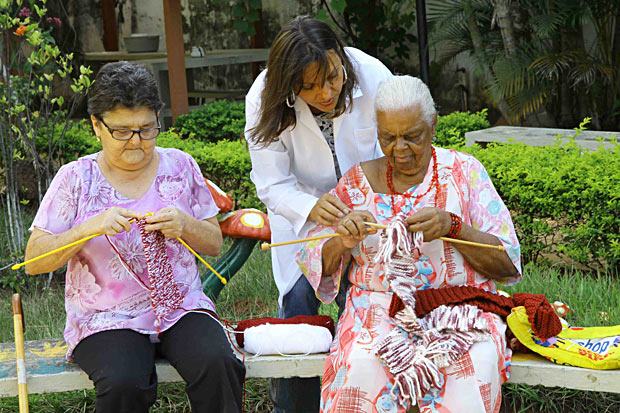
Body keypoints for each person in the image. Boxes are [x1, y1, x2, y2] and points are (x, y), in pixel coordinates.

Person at [24, 62, 245, 413]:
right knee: (124, 380)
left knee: (218, 362)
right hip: (106, 317)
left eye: (146, 129)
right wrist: (89, 228)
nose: (136, 142)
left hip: (181, 306)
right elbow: (34, 260)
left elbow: (214, 244)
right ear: (97, 125)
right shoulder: (76, 179)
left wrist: (184, 225)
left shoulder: (180, 165)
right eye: (123, 132)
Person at [296, 75, 522, 412]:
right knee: (362, 362)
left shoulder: (464, 173)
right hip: (376, 309)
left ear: (433, 125)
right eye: (388, 137)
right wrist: (342, 241)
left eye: (411, 137)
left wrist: (454, 227)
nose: (399, 149)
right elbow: (316, 261)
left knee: (469, 364)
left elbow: (507, 263)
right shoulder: (357, 183)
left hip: (458, 310)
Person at [244, 15, 392, 412]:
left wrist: (363, 207)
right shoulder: (263, 97)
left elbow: (392, 156)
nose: (326, 93)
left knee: (360, 303)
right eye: (308, 87)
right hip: (302, 217)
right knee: (297, 309)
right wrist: (312, 208)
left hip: (366, 214)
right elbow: (271, 184)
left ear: (340, 57)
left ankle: (358, 401)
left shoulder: (374, 77)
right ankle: (294, 408)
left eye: (331, 77)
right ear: (288, 85)